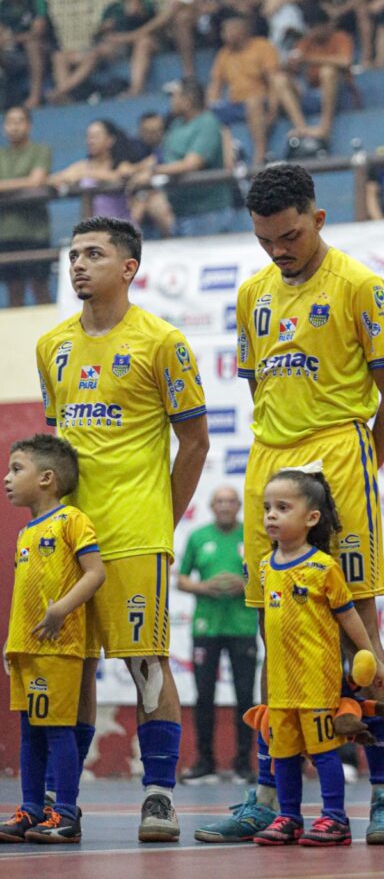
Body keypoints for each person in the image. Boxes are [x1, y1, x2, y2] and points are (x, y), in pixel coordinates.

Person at [193, 163, 384, 846]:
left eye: (288, 236)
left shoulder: (358, 286)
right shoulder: (253, 293)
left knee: (361, 643)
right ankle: (270, 796)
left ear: (317, 219)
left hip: (339, 462)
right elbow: (262, 386)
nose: (277, 250)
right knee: (274, 637)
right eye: (265, 239)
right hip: (269, 462)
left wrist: (358, 475)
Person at [35, 216, 210, 841]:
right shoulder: (51, 344)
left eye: (94, 254)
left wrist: (161, 518)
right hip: (68, 540)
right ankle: (63, 806)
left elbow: (194, 442)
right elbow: (60, 449)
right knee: (69, 670)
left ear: (128, 267)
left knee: (146, 665)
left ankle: (159, 797)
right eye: (73, 254)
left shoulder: (162, 342)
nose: (78, 264)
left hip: (137, 534)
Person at [252, 468, 384, 847]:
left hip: (316, 682)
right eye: (267, 507)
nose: (271, 515)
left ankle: (335, 819)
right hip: (281, 686)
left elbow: (349, 617)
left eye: (282, 507)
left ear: (312, 518)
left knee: (324, 752)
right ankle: (288, 817)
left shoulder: (324, 568)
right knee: (283, 754)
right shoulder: (264, 567)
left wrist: (370, 656)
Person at [0, 434, 104, 844]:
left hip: (59, 647)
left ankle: (64, 813)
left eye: (16, 469)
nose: (7, 478)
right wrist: (11, 641)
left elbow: (95, 573)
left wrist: (60, 609)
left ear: (47, 478)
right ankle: (31, 808)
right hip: (26, 649)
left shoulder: (72, 521)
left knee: (59, 729)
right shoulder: (26, 532)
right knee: (30, 730)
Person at [177, 485, 258, 785]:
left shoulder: (251, 537)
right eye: (219, 501)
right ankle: (205, 762)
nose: (225, 506)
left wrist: (245, 584)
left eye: (230, 501)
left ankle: (243, 765)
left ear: (238, 505)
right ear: (212, 505)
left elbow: (267, 575)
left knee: (246, 696)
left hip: (243, 626)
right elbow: (182, 578)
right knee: (204, 695)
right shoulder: (198, 537)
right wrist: (203, 587)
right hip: (206, 628)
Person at [128, 78, 233, 236]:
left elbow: (191, 164)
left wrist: (153, 172)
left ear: (187, 101)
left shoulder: (207, 123)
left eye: (175, 96)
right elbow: (161, 156)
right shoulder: (177, 125)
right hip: (181, 212)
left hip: (207, 212)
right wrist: (133, 171)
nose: (171, 101)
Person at [50, 0, 157, 102]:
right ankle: (64, 97)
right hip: (103, 46)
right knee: (59, 56)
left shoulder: (145, 2)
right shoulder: (112, 7)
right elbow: (96, 34)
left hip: (126, 46)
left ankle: (60, 91)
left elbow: (135, 13)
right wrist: (103, 28)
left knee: (97, 52)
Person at [272, 7, 355, 145]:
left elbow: (345, 61)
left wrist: (308, 59)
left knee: (327, 71)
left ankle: (325, 128)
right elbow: (292, 64)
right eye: (310, 27)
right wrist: (290, 65)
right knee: (279, 79)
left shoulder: (340, 37)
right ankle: (301, 127)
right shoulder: (306, 42)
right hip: (313, 94)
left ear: (327, 25)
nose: (313, 31)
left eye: (316, 27)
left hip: (340, 95)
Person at [206, 15, 280, 166]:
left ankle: (259, 156)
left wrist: (273, 110)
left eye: (226, 31)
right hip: (235, 105)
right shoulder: (223, 54)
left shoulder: (262, 46)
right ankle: (227, 161)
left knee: (253, 102)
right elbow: (215, 85)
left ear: (239, 30)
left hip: (260, 101)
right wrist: (210, 105)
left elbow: (273, 82)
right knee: (206, 114)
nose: (223, 35)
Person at [0, 105, 52, 307]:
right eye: (10, 122)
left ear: (29, 125)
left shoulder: (40, 150)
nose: (14, 127)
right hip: (5, 232)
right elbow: (29, 182)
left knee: (40, 288)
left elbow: (36, 181)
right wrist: (22, 184)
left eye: (19, 121)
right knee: (13, 291)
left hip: (35, 231)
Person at [49, 119, 139, 222]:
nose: (90, 141)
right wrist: (58, 181)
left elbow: (121, 175)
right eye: (89, 137)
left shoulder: (121, 164)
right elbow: (53, 178)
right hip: (92, 229)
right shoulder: (82, 166)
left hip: (121, 229)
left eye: (96, 137)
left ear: (110, 140)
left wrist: (87, 174)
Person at [0, 0, 60, 109]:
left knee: (31, 44)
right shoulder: (3, 6)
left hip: (45, 49)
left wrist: (12, 38)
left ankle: (35, 96)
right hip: (16, 54)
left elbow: (38, 31)